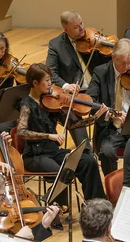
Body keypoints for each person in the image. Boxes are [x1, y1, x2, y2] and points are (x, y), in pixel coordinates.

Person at [17, 63, 107, 205]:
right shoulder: (26, 104)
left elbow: (71, 125)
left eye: (50, 80)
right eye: (46, 80)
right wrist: (49, 136)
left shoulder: (50, 102)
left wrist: (94, 118)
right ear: (35, 83)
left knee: (88, 162)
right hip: (35, 155)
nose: (50, 84)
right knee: (63, 172)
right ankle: (53, 207)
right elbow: (21, 132)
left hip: (53, 152)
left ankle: (97, 204)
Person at [46, 11, 108, 146]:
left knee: (107, 111)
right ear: (66, 29)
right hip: (74, 95)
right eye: (76, 27)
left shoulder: (92, 38)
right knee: (73, 119)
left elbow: (107, 62)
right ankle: (85, 151)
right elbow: (50, 73)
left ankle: (101, 147)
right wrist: (65, 85)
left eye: (81, 23)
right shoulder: (56, 45)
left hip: (96, 88)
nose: (81, 28)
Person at [85, 38, 130, 175]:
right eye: (123, 63)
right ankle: (112, 188)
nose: (127, 67)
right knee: (107, 152)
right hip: (110, 129)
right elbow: (90, 102)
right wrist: (110, 113)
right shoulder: (100, 72)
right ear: (113, 57)